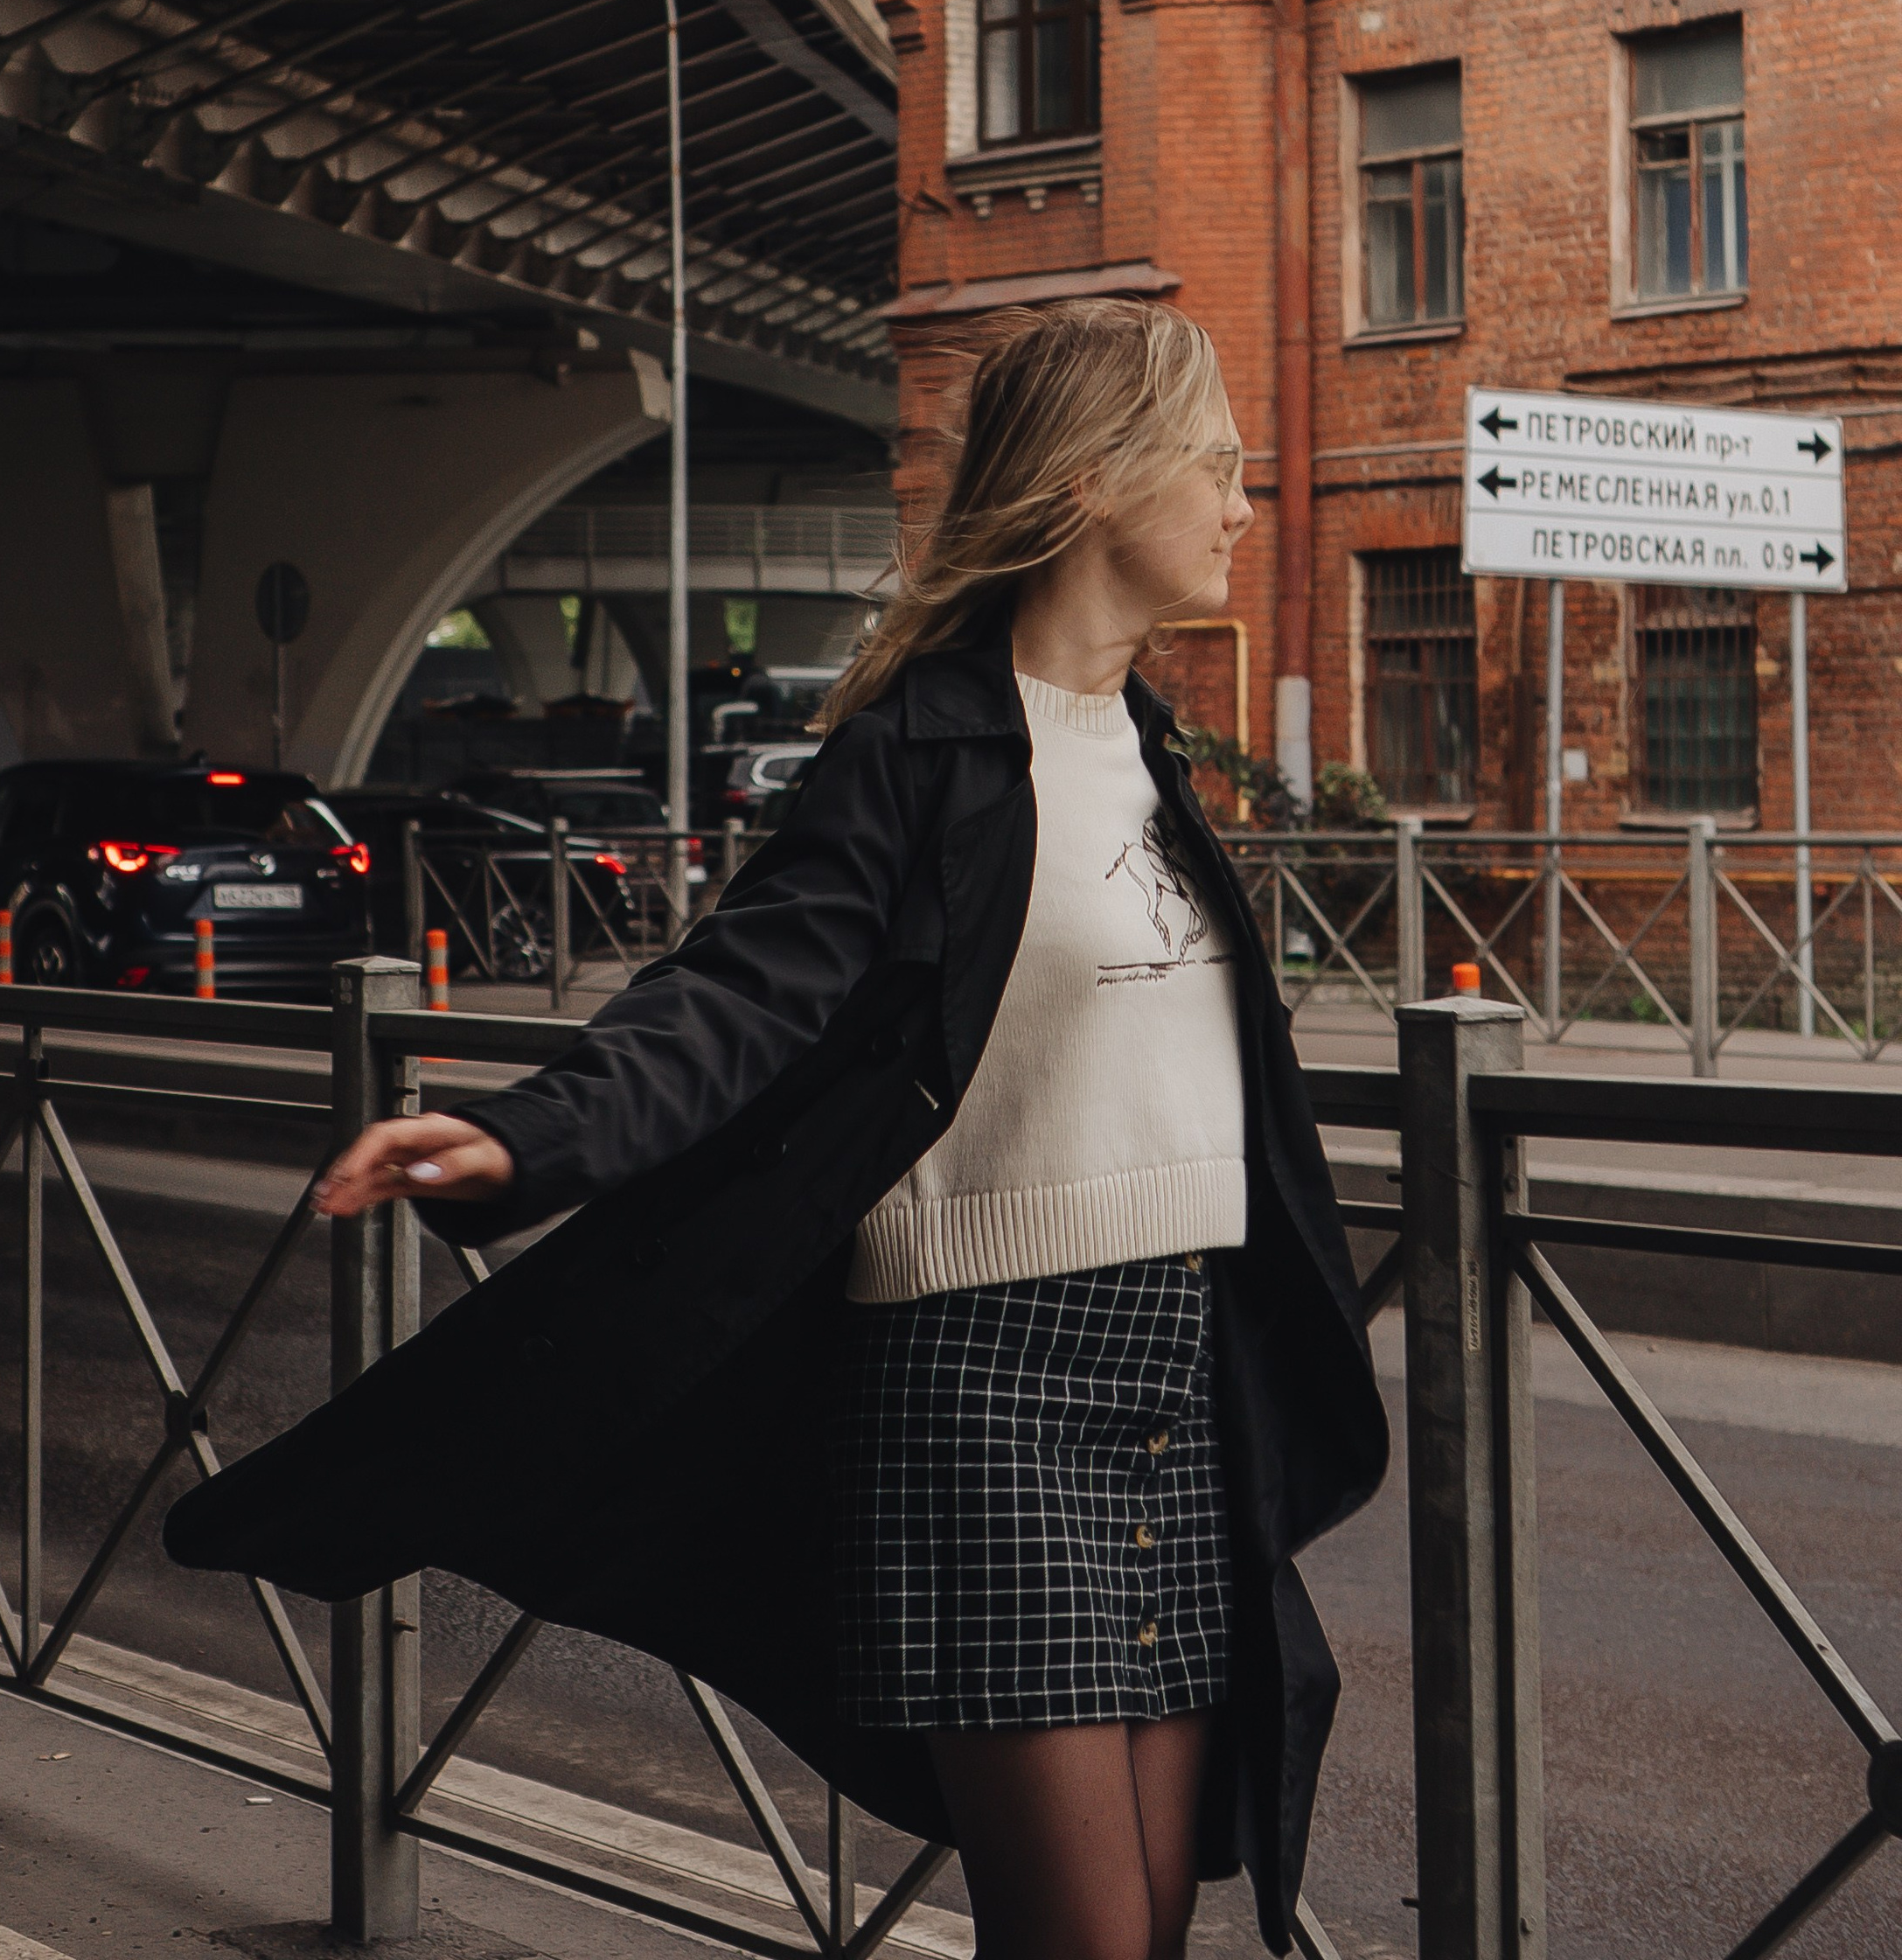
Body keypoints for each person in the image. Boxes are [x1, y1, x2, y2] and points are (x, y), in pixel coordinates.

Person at [166, 299, 1385, 1959]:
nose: (1249, 505)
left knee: (1161, 1925)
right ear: (1096, 482)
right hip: (985, 1392)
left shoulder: (1154, 759)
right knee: (1089, 1944)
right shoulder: (922, 758)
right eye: (1220, 469)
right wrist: (534, 1135)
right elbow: (745, 992)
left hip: (1175, 1384)